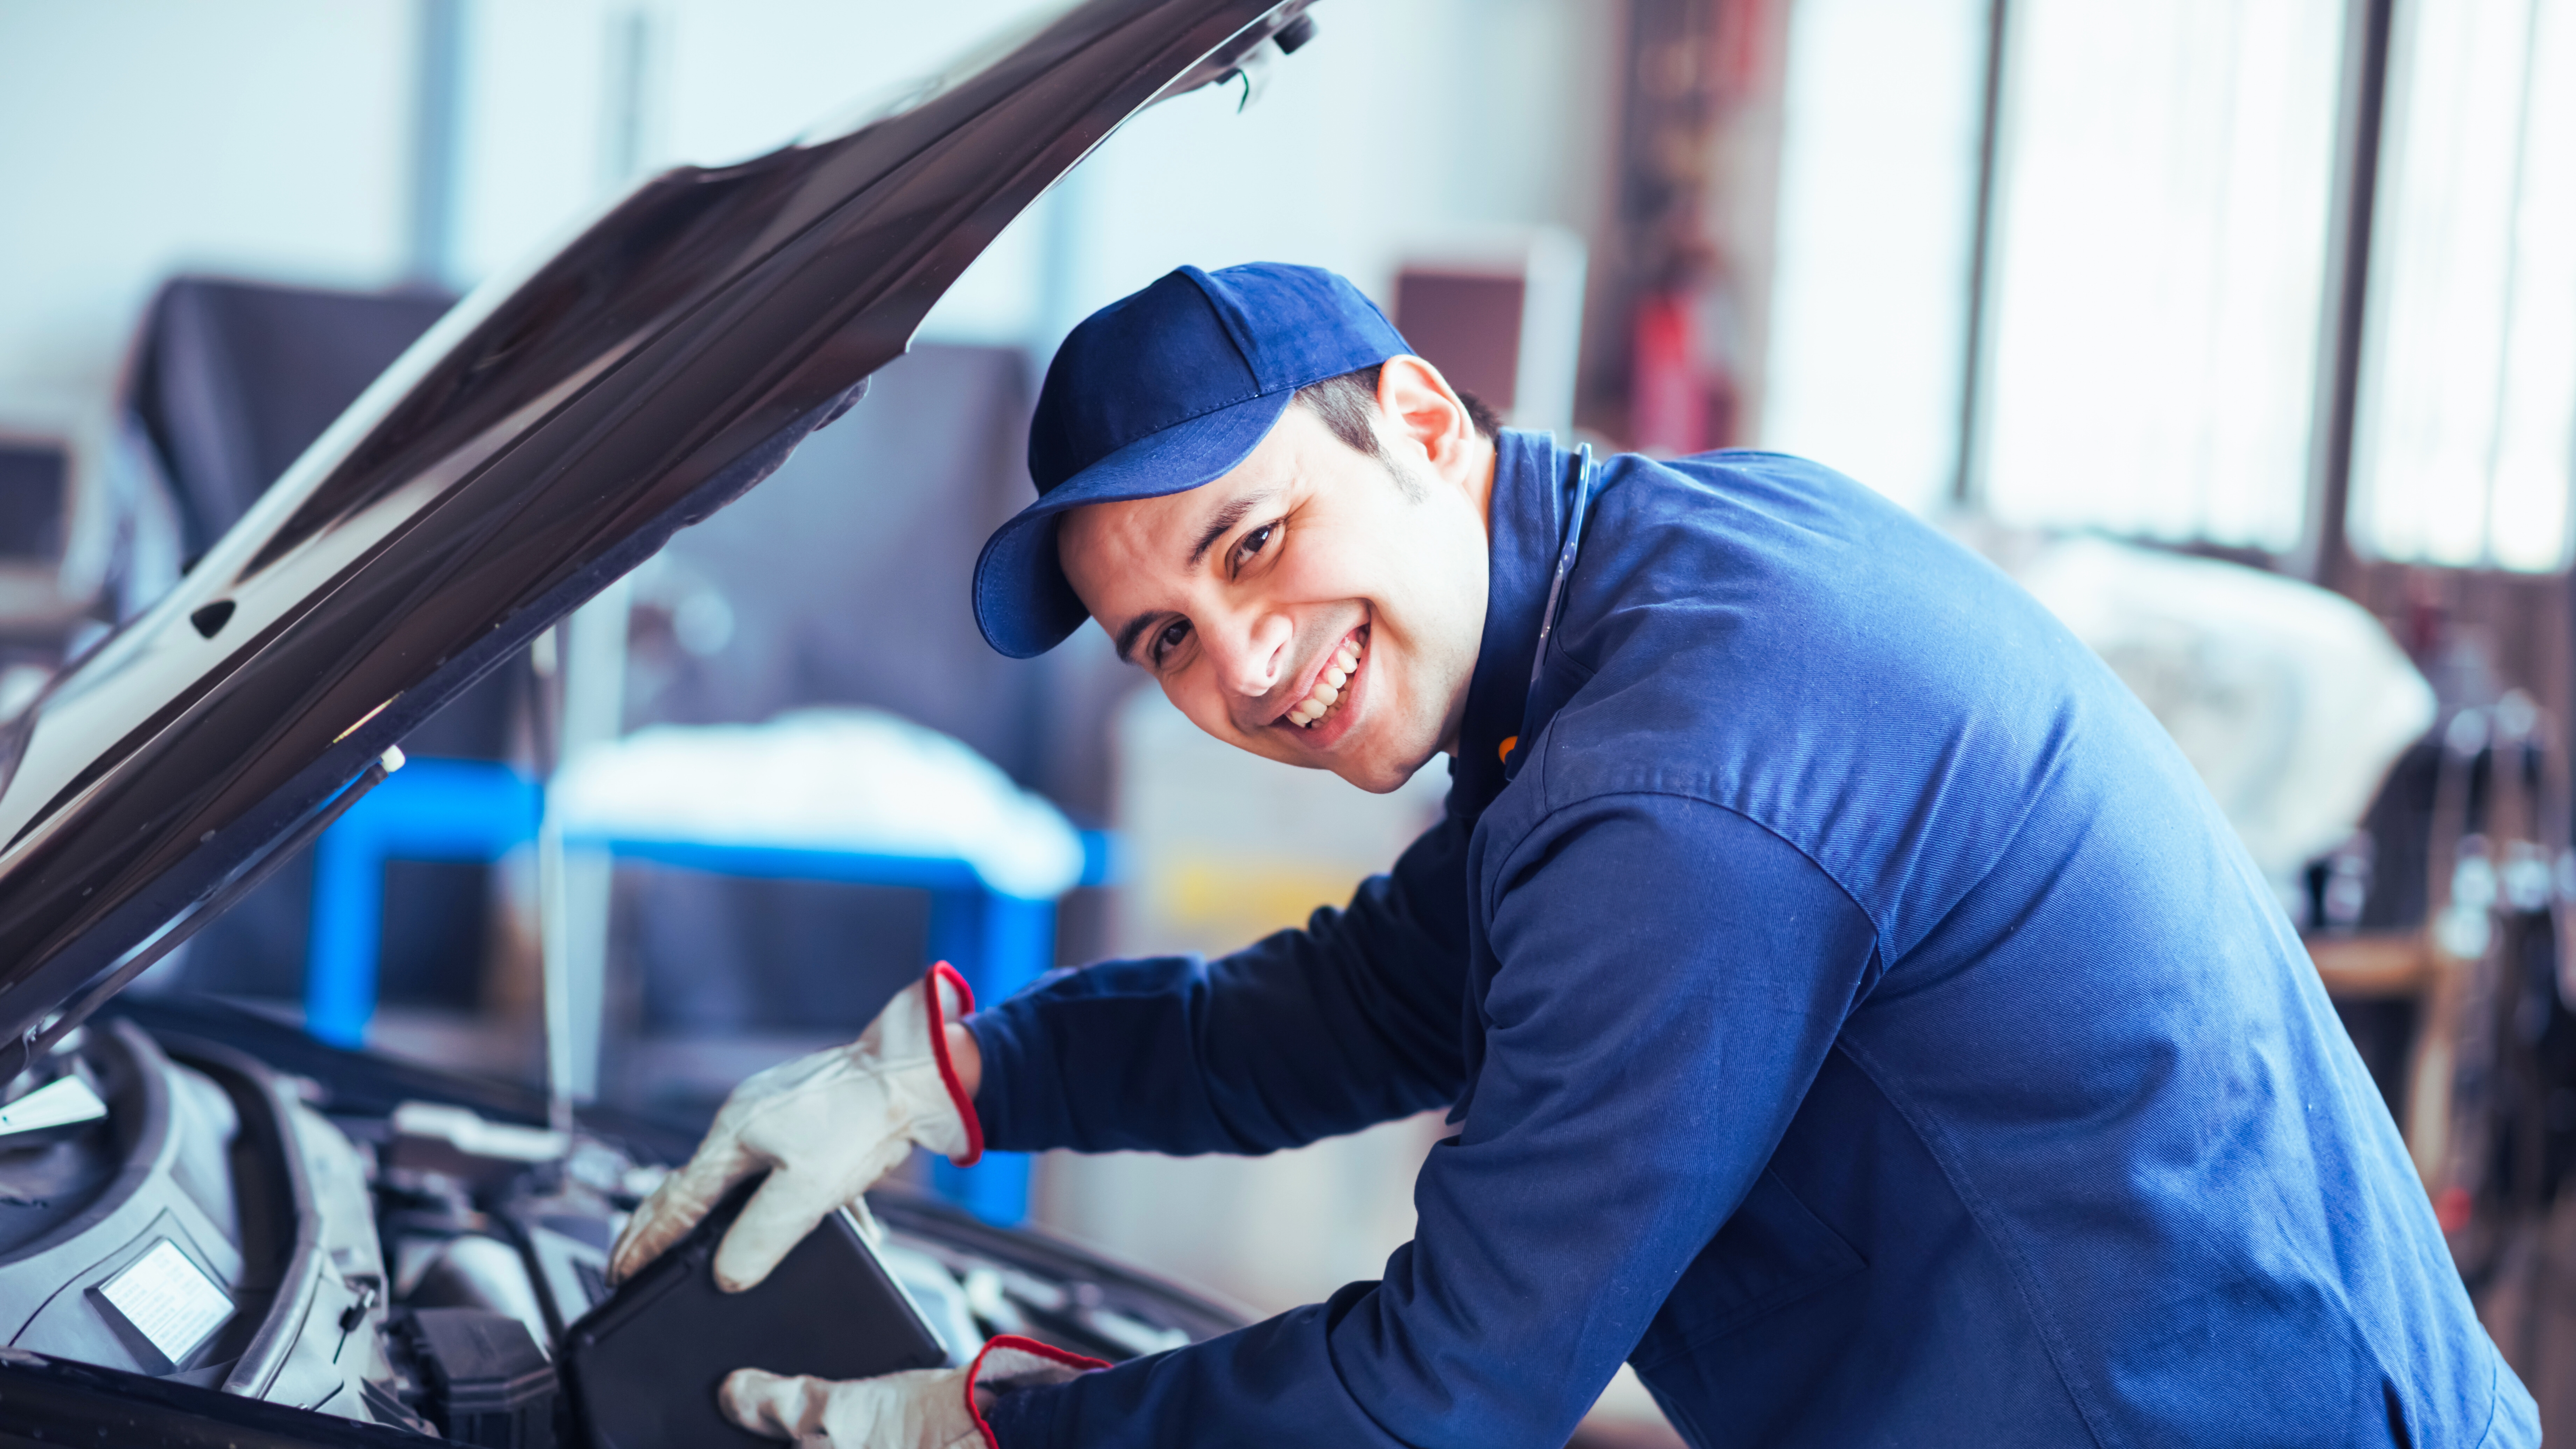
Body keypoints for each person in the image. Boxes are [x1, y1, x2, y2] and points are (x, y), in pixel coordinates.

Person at [608, 262, 2534, 1448]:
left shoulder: (1679, 780)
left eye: (1254, 540)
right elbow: (1360, 1006)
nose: (1246, 663)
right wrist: (935, 1074)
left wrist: (1002, 1425)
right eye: (1167, 639)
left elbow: (1445, 1394)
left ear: (1424, 423)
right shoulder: (1637, 600)